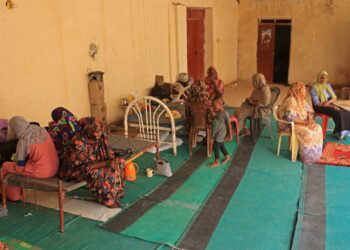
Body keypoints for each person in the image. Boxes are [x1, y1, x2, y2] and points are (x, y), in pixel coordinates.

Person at [60, 117, 125, 208]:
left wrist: (114, 160)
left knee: (119, 163)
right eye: (95, 134)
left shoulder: (101, 136)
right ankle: (108, 199)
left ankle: (116, 191)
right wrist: (106, 164)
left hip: (96, 163)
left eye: (99, 131)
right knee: (96, 172)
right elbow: (83, 166)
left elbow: (108, 152)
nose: (98, 135)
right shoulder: (77, 143)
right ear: (87, 132)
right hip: (75, 171)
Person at [1, 116, 59, 201]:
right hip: (54, 167)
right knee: (16, 168)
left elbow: (19, 165)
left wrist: (14, 160)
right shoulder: (42, 130)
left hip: (42, 172)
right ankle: (16, 193)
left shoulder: (25, 140)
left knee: (6, 166)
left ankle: (11, 196)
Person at [278, 82, 323, 163]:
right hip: (288, 125)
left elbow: (310, 110)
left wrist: (309, 115)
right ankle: (307, 157)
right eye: (304, 89)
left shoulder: (301, 100)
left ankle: (315, 155)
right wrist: (306, 122)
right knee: (308, 132)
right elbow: (290, 118)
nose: (305, 91)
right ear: (298, 90)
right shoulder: (291, 100)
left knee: (318, 128)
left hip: (300, 123)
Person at [310, 70, 350, 139]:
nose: (323, 80)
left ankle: (345, 132)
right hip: (320, 106)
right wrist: (331, 106)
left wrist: (329, 103)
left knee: (346, 112)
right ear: (319, 78)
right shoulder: (314, 87)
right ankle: (340, 133)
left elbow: (334, 97)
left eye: (325, 78)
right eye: (322, 78)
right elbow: (317, 103)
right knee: (338, 112)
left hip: (328, 103)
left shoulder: (327, 85)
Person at [209, 97, 232, 167]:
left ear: (220, 104)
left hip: (221, 133)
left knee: (216, 146)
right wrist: (212, 115)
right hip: (218, 132)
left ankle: (216, 161)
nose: (213, 108)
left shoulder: (225, 113)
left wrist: (230, 135)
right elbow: (217, 120)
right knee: (221, 145)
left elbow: (229, 124)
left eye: (214, 106)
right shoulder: (218, 112)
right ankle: (227, 156)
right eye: (212, 106)